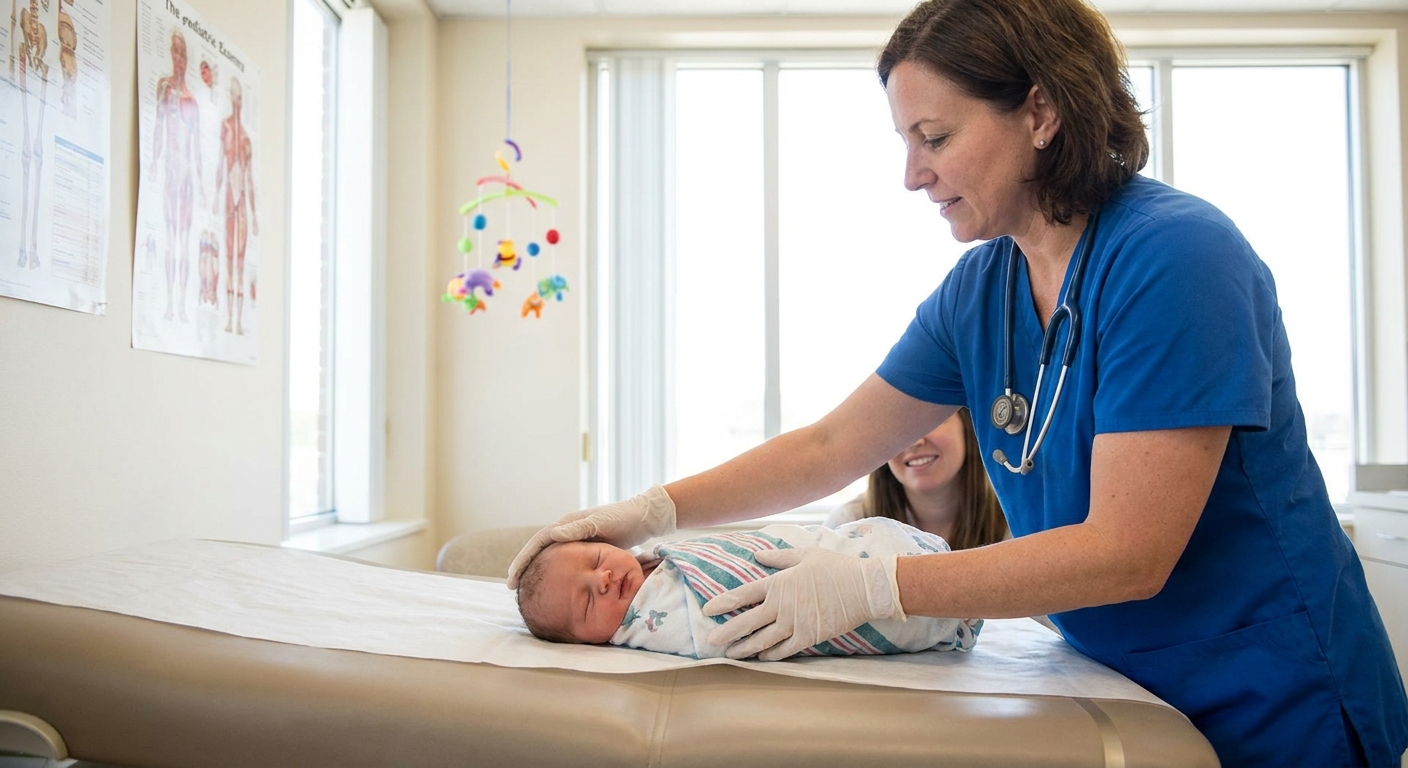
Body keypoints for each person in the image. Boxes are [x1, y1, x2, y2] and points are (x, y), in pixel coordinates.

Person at [508, 1, 1408, 764]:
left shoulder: (1175, 258)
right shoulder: (983, 291)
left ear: (1042, 113)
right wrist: (643, 513)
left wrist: (878, 588)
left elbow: (1131, 551)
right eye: (907, 141)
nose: (912, 174)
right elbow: (829, 447)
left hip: (1272, 695)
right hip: (1121, 682)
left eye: (933, 137)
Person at [515, 517, 980, 659]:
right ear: (584, 642)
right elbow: (715, 630)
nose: (601, 579)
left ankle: (927, 572)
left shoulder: (657, 554)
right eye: (585, 601)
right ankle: (936, 597)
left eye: (596, 560)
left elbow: (750, 545)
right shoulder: (650, 622)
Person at [826, 407, 1008, 551]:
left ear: (968, 427)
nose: (915, 441)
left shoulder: (1014, 520)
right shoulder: (848, 523)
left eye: (931, 422)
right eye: (898, 427)